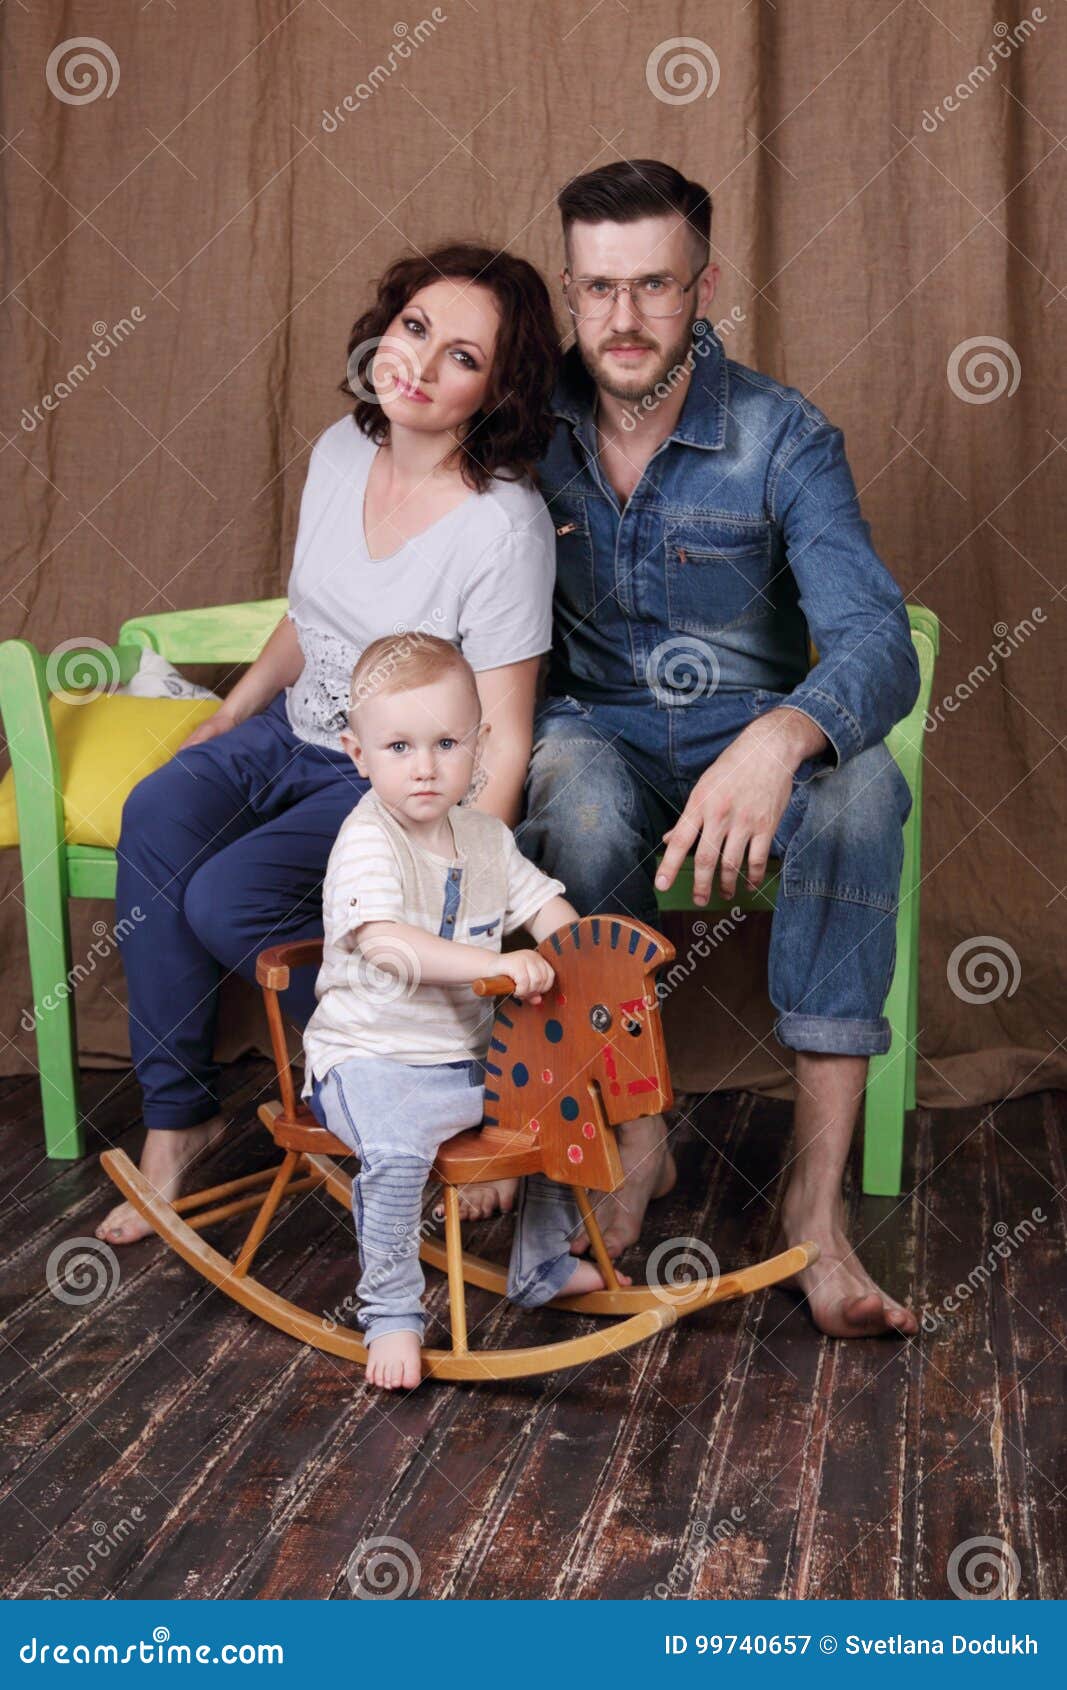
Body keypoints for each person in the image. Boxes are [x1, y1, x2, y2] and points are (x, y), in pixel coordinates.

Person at [500, 159, 921, 1338]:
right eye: (595, 289)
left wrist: (783, 733)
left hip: (758, 741)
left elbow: (877, 640)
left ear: (704, 285)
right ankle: (641, 1142)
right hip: (601, 738)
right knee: (571, 796)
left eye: (651, 286)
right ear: (569, 291)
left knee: (861, 793)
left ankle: (811, 1206)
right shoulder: (527, 432)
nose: (621, 320)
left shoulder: (782, 436)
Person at [97, 242, 560, 1247]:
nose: (421, 364)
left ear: (498, 393)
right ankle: (178, 1125)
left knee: (229, 897)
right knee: (159, 807)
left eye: (462, 357)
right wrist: (232, 712)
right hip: (293, 731)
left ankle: (425, 1075)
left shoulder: (503, 527)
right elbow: (312, 616)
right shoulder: (338, 451)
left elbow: (506, 728)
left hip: (388, 783)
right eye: (414, 328)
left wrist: (460, 881)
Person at [305, 633, 625, 1389]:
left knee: (561, 1101)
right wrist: (497, 966)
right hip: (369, 1059)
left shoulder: (484, 835)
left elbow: (541, 901)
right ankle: (388, 1312)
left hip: (464, 1060)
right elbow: (387, 946)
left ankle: (541, 1260)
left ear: (478, 745)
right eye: (399, 745)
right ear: (358, 753)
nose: (424, 766)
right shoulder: (366, 841)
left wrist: (577, 953)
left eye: (445, 743)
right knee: (394, 1156)